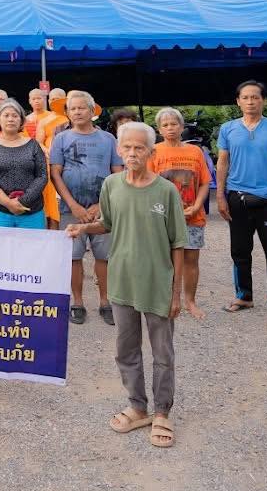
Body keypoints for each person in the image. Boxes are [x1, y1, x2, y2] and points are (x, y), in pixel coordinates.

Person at [66, 121, 184, 449]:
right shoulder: (111, 185)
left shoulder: (166, 191)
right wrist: (83, 228)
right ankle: (137, 406)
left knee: (162, 351)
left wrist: (177, 293)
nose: (132, 153)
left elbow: (178, 243)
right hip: (121, 281)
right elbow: (108, 223)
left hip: (157, 283)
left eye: (139, 148)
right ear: (119, 150)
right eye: (127, 148)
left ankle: (162, 411)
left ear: (151, 152)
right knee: (126, 348)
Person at [216, 80, 267, 322]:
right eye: (245, 97)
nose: (250, 102)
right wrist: (220, 196)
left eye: (255, 97)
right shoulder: (228, 128)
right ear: (238, 101)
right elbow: (222, 163)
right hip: (237, 198)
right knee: (240, 251)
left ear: (264, 100)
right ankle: (244, 295)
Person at [50, 90, 123, 325]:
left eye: (82, 107)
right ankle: (77, 302)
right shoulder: (60, 139)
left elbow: (118, 173)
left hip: (102, 209)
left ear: (93, 111)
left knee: (104, 257)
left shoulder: (109, 139)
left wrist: (101, 205)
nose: (78, 112)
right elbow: (55, 174)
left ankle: (105, 302)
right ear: (67, 113)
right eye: (73, 108)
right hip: (71, 209)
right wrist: (73, 205)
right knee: (74, 257)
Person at [151, 108, 212, 320]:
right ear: (159, 129)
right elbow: (147, 184)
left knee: (191, 259)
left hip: (192, 216)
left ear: (182, 126)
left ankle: (190, 301)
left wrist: (196, 206)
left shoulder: (195, 152)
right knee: (164, 259)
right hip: (162, 217)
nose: (170, 128)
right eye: (165, 125)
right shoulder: (153, 151)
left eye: (174, 124)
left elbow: (205, 182)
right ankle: (167, 300)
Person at [0, 98, 47, 229]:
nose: (10, 119)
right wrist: (8, 203)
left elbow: (42, 176)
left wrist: (22, 201)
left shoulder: (33, 145)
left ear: (21, 121)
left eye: (15, 116)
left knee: (32, 248)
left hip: (30, 209)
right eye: (6, 115)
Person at [26, 87, 67, 229]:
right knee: (50, 199)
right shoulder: (43, 121)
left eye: (58, 98)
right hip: (49, 162)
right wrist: (46, 150)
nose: (55, 101)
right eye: (52, 99)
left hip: (69, 163)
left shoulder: (70, 117)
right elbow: (38, 141)